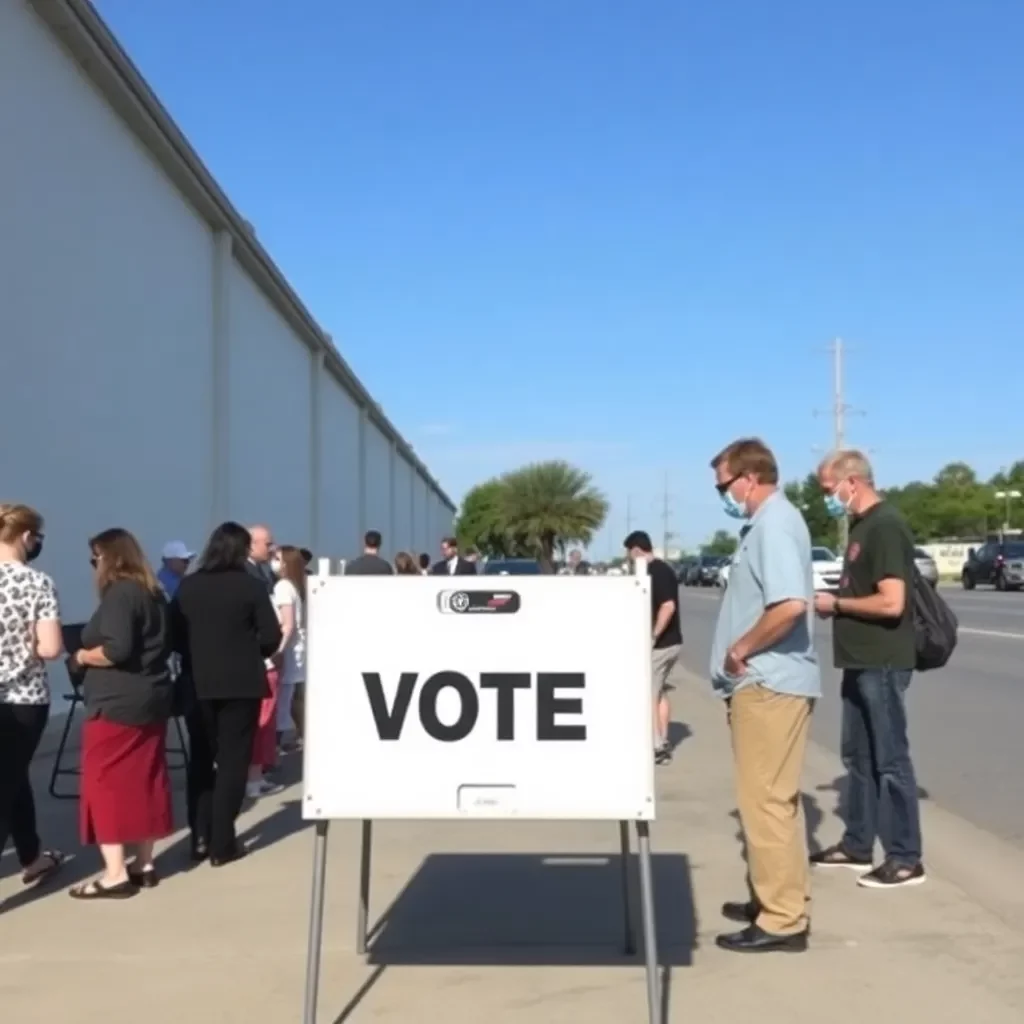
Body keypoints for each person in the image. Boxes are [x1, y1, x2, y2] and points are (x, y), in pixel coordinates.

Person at [708, 438, 819, 953]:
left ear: (748, 479)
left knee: (765, 803)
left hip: (768, 682)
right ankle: (774, 898)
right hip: (768, 682)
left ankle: (781, 920)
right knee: (775, 801)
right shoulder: (769, 524)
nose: (722, 496)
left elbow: (789, 605)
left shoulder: (773, 523)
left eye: (723, 486)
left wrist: (741, 649)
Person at [813, 449, 925, 890]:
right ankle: (858, 844)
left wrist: (837, 604)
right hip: (858, 662)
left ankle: (905, 857)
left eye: (829, 490)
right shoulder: (860, 526)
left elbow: (892, 601)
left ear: (852, 482)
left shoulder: (886, 525)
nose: (828, 498)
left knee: (890, 759)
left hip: (881, 661)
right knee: (857, 757)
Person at [68, 528, 175, 899]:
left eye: (95, 557)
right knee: (147, 778)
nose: (93, 565)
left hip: (116, 702)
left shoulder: (120, 594)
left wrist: (81, 656)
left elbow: (116, 649)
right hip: (153, 697)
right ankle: (144, 863)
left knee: (104, 783)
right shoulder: (154, 592)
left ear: (110, 557)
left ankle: (114, 874)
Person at [172, 522, 282, 866]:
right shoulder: (251, 586)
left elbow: (173, 634)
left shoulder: (188, 586)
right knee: (234, 761)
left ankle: (200, 837)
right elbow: (271, 636)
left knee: (202, 759)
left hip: (198, 681)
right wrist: (249, 651)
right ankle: (223, 842)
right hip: (240, 682)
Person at [0, 503, 66, 889]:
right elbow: (50, 648)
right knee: (6, 783)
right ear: (26, 537)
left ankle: (31, 856)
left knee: (13, 775)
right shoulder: (36, 583)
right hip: (24, 698)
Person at [623, 531, 682, 766]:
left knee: (649, 694)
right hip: (673, 643)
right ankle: (664, 740)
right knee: (660, 693)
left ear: (637, 550)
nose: (628, 557)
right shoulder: (663, 569)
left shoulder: (655, 572)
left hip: (661, 645)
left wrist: (653, 636)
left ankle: (657, 747)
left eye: (629, 552)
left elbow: (668, 606)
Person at [271, 545, 307, 752]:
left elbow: (288, 624)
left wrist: (279, 651)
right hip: (297, 651)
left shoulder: (283, 586)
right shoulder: (295, 585)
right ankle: (281, 743)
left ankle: (275, 747)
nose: (273, 562)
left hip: (289, 651)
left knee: (281, 702)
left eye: (277, 558)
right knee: (288, 698)